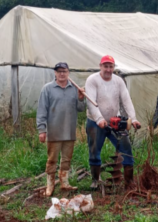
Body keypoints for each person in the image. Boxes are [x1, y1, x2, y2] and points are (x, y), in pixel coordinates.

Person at [85, 55, 141, 189]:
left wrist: (133, 119)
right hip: (95, 122)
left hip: (115, 121)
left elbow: (126, 100)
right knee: (94, 150)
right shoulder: (92, 80)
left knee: (126, 149)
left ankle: (129, 181)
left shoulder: (118, 81)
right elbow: (91, 102)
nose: (108, 69)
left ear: (113, 67)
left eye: (111, 66)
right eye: (106, 66)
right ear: (100, 66)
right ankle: (95, 179)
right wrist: (99, 119)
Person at [37, 62, 86, 196]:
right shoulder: (47, 89)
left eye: (64, 71)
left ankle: (64, 182)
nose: (62, 74)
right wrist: (42, 130)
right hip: (54, 132)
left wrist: (81, 98)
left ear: (68, 72)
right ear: (55, 73)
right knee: (52, 159)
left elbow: (81, 109)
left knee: (66, 159)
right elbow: (42, 110)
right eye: (59, 71)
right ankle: (50, 185)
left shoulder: (74, 89)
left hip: (69, 131)